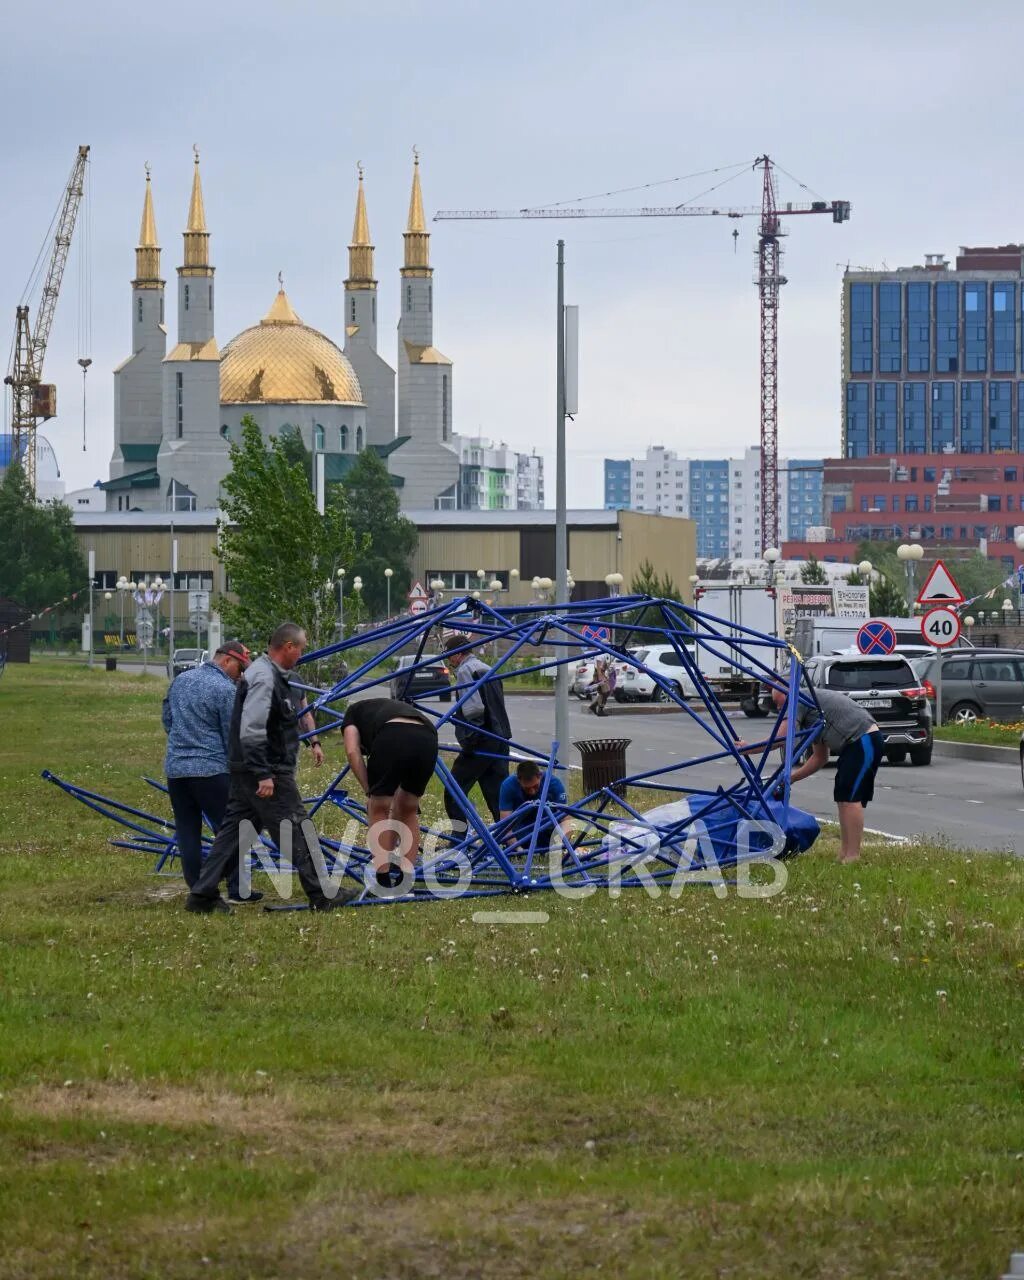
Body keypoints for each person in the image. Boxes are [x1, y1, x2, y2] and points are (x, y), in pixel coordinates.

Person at [185, 622, 357, 913]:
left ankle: (201, 895)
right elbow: (252, 729)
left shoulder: (267, 673)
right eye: (300, 648)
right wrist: (263, 773)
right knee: (299, 829)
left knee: (234, 835)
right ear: (288, 647)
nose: (301, 655)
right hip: (266, 771)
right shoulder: (264, 677)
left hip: (248, 769)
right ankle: (323, 893)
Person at [162, 639, 253, 902]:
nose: (242, 674)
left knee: (188, 831)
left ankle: (199, 888)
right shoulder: (225, 690)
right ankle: (228, 888)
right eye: (240, 667)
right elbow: (231, 735)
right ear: (227, 660)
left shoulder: (182, 680)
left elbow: (168, 719)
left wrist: (185, 740)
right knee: (232, 832)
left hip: (177, 770)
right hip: (210, 770)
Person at [761, 682, 882, 864]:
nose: (780, 709)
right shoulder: (814, 712)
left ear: (789, 693)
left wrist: (748, 749)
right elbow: (820, 757)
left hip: (863, 740)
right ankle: (845, 853)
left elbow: (782, 738)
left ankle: (853, 856)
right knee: (842, 796)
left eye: (780, 702)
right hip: (854, 744)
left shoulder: (799, 699)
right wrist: (792, 778)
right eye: (777, 705)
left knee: (851, 798)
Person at [341, 697, 439, 889]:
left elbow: (353, 752)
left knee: (379, 807)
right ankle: (406, 878)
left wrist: (369, 789)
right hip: (428, 736)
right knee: (408, 807)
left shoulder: (351, 714)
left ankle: (382, 878)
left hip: (393, 733)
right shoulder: (381, 707)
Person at [441, 633, 512, 833]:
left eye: (450, 655)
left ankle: (458, 837)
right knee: (498, 793)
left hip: (480, 738)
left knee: (454, 789)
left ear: (458, 654)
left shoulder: (465, 670)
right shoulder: (487, 668)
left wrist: (470, 737)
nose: (449, 660)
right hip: (500, 737)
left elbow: (473, 709)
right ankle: (510, 841)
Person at [498, 760, 574, 850]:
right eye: (527, 788)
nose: (532, 791)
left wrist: (560, 846)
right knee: (500, 837)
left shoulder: (554, 784)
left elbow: (565, 820)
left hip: (546, 828)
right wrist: (519, 851)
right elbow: (506, 826)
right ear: (518, 780)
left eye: (535, 786)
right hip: (521, 831)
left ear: (540, 776)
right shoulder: (508, 786)